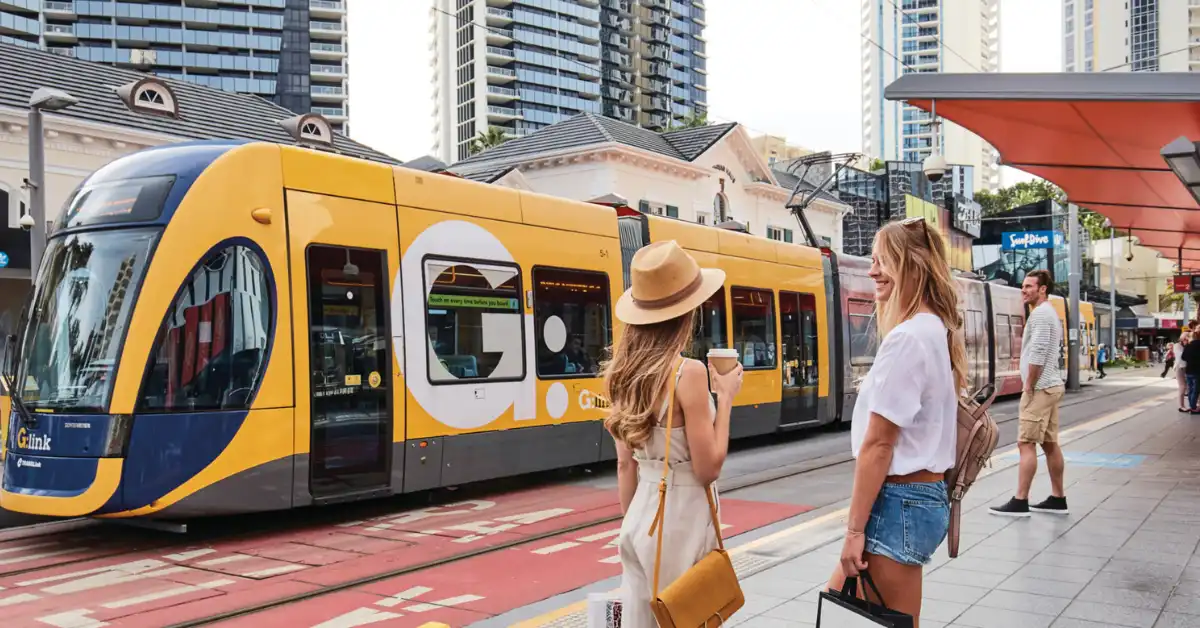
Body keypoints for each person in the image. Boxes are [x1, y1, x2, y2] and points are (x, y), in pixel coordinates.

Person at [825, 217, 961, 623]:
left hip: (898, 502)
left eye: (883, 261)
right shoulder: (935, 328)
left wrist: (853, 533)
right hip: (919, 499)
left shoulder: (907, 338)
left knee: (842, 614)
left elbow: (879, 444)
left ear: (911, 266)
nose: (872, 271)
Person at [604, 240, 743, 628]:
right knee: (688, 618)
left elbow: (623, 465)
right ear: (686, 313)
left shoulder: (621, 374)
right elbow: (707, 468)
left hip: (638, 518)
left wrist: (634, 521)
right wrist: (726, 396)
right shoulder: (688, 373)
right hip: (680, 517)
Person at [990, 269, 1067, 517]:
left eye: (1028, 286)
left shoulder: (1042, 315)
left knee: (1025, 443)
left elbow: (1039, 352)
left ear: (1042, 289)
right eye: (1023, 286)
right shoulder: (1047, 313)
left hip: (1041, 388)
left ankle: (1020, 500)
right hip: (1050, 385)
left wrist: (1029, 385)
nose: (1023, 290)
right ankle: (1058, 498)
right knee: (1050, 443)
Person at [1183, 334, 1200, 412]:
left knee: (1190, 389)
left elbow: (1183, 357)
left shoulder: (1188, 346)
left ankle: (1191, 405)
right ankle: (1193, 407)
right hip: (1197, 370)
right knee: (1195, 390)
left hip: (1188, 370)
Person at [1173, 333, 1189, 412]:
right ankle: (1181, 406)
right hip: (1180, 368)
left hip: (1186, 368)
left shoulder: (1186, 345)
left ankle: (1192, 404)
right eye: (1186, 339)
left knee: (1187, 387)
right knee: (1182, 386)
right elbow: (1180, 357)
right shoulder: (1177, 345)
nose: (1187, 340)